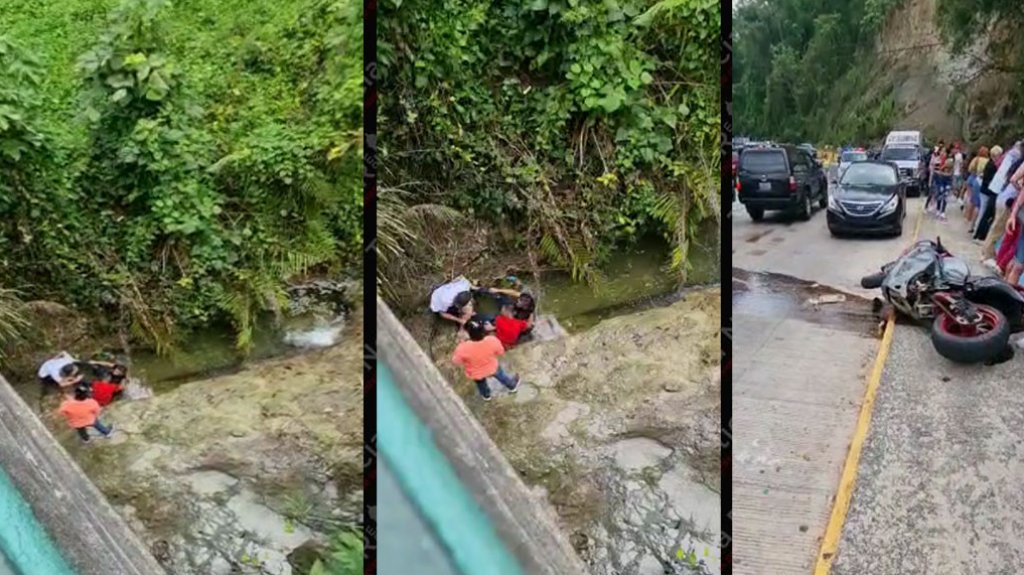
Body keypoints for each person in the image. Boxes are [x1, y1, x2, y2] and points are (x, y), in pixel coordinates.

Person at [451, 319, 521, 401]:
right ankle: (512, 386)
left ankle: (486, 395)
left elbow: (456, 361)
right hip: (492, 366)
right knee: (501, 376)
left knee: (481, 384)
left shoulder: (462, 348)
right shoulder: (492, 340)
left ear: (468, 334)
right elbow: (500, 352)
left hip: (476, 372)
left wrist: (462, 343)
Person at [983, 143, 1023, 263]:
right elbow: (1013, 179)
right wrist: (1020, 188)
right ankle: (987, 256)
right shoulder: (1017, 159)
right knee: (998, 229)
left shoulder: (1012, 159)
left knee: (996, 226)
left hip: (1002, 195)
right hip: (1008, 199)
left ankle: (987, 253)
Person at [974, 145, 1003, 242]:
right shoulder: (992, 166)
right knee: (983, 212)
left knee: (983, 212)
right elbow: (987, 179)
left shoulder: (990, 164)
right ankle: (978, 234)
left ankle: (976, 232)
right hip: (987, 191)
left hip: (986, 190)